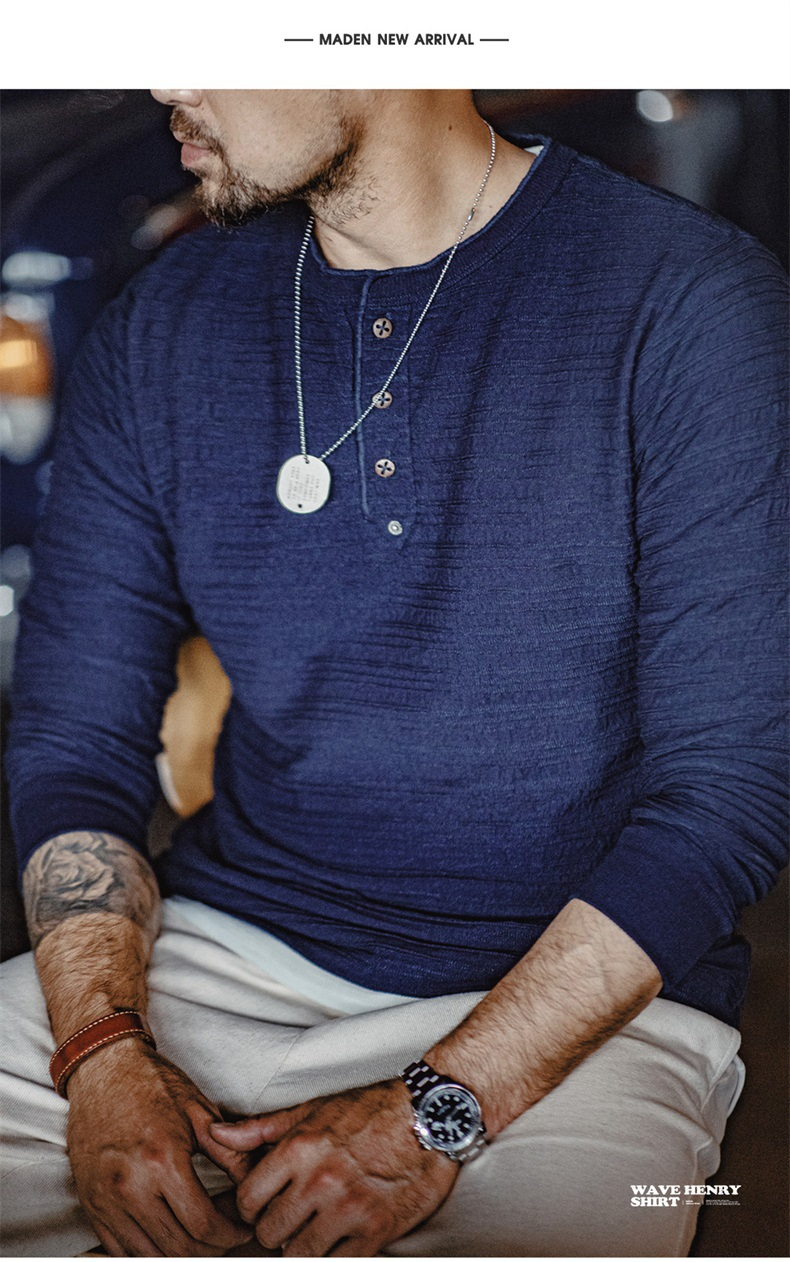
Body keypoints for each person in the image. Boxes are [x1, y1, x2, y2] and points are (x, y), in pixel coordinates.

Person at [1, 89, 787, 1259]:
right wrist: (102, 1051)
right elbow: (74, 738)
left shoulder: (689, 302)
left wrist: (437, 1109)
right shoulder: (163, 321)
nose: (164, 79)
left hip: (577, 1009)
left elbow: (729, 795)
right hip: (211, 953)